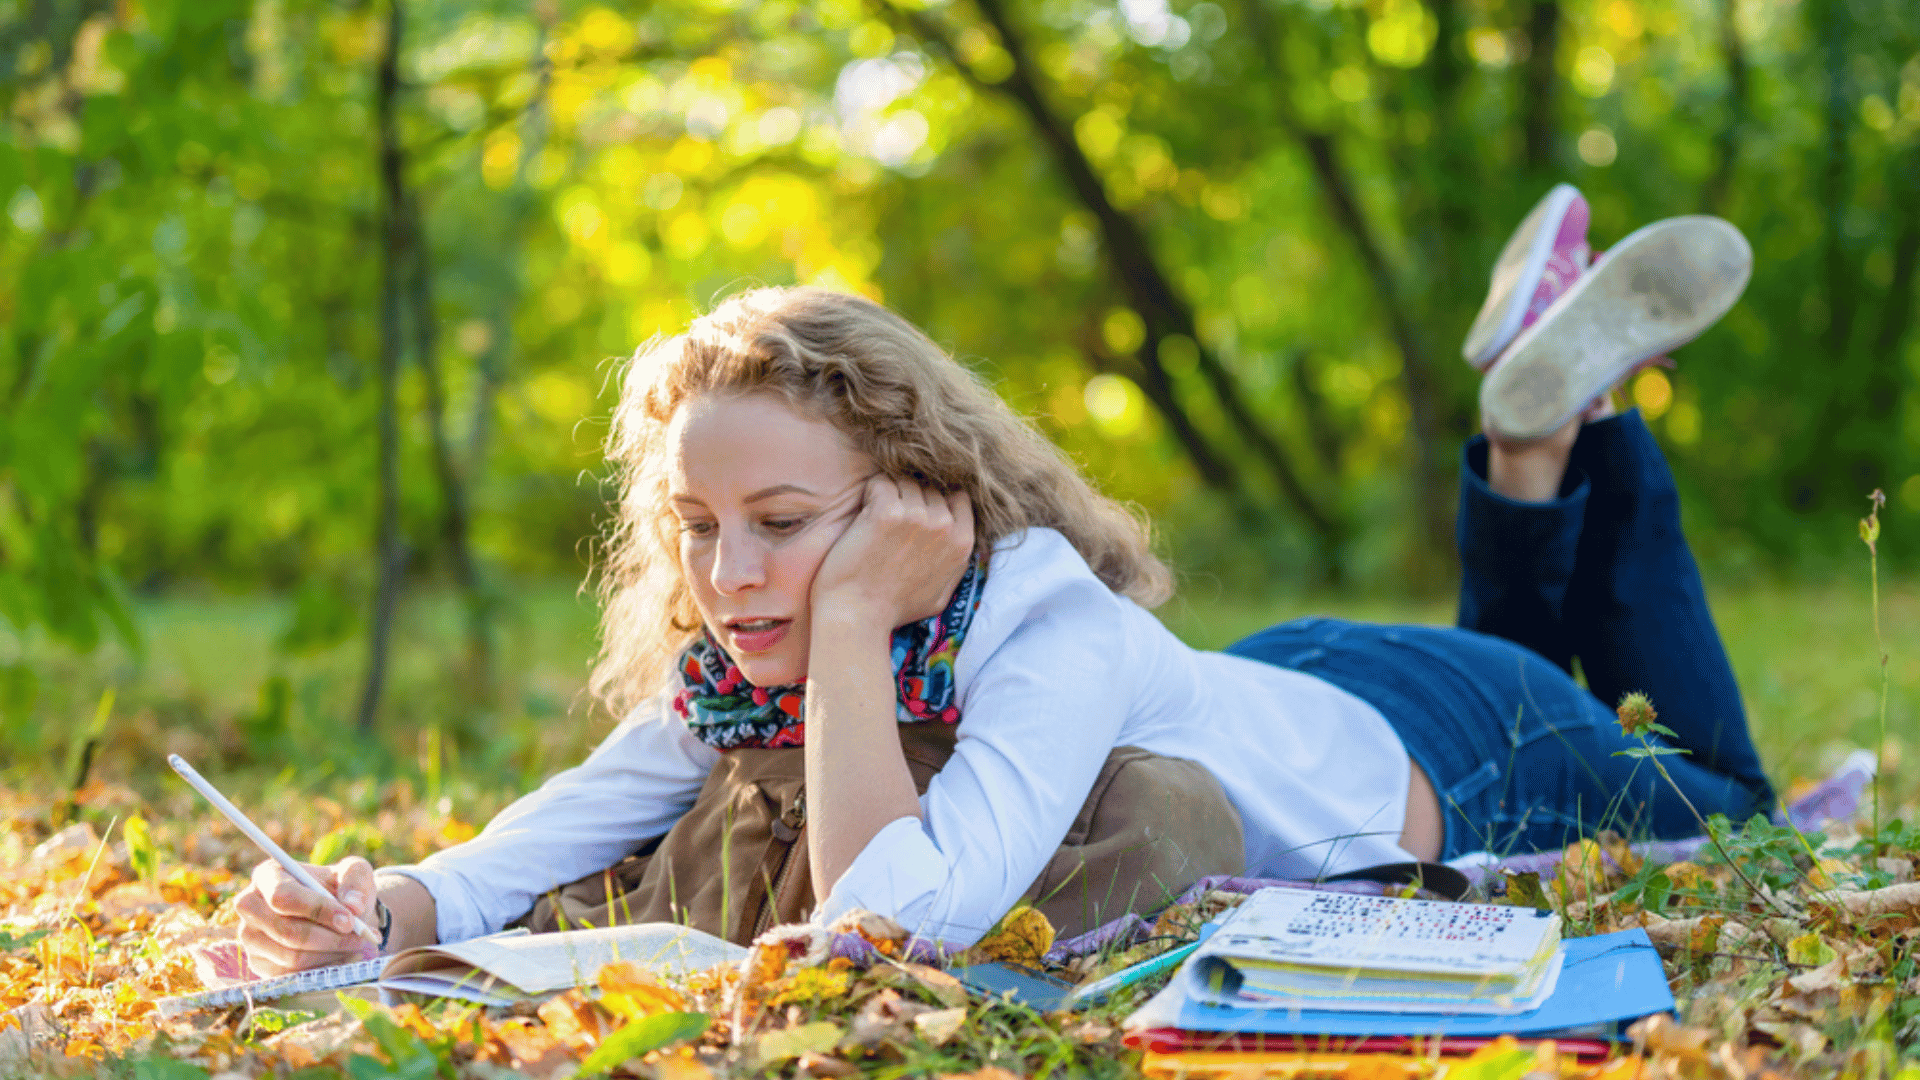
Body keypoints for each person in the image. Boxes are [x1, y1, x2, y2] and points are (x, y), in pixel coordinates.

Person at [232, 185, 1775, 976]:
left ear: (912, 493)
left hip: (1455, 751)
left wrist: (846, 627)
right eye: (695, 525)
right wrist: (401, 900)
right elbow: (603, 797)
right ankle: (1531, 414)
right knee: (1517, 639)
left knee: (1718, 792)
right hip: (1297, 686)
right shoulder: (748, 643)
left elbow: (901, 911)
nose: (729, 570)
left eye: (781, 520)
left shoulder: (1037, 618)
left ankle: (1563, 434)